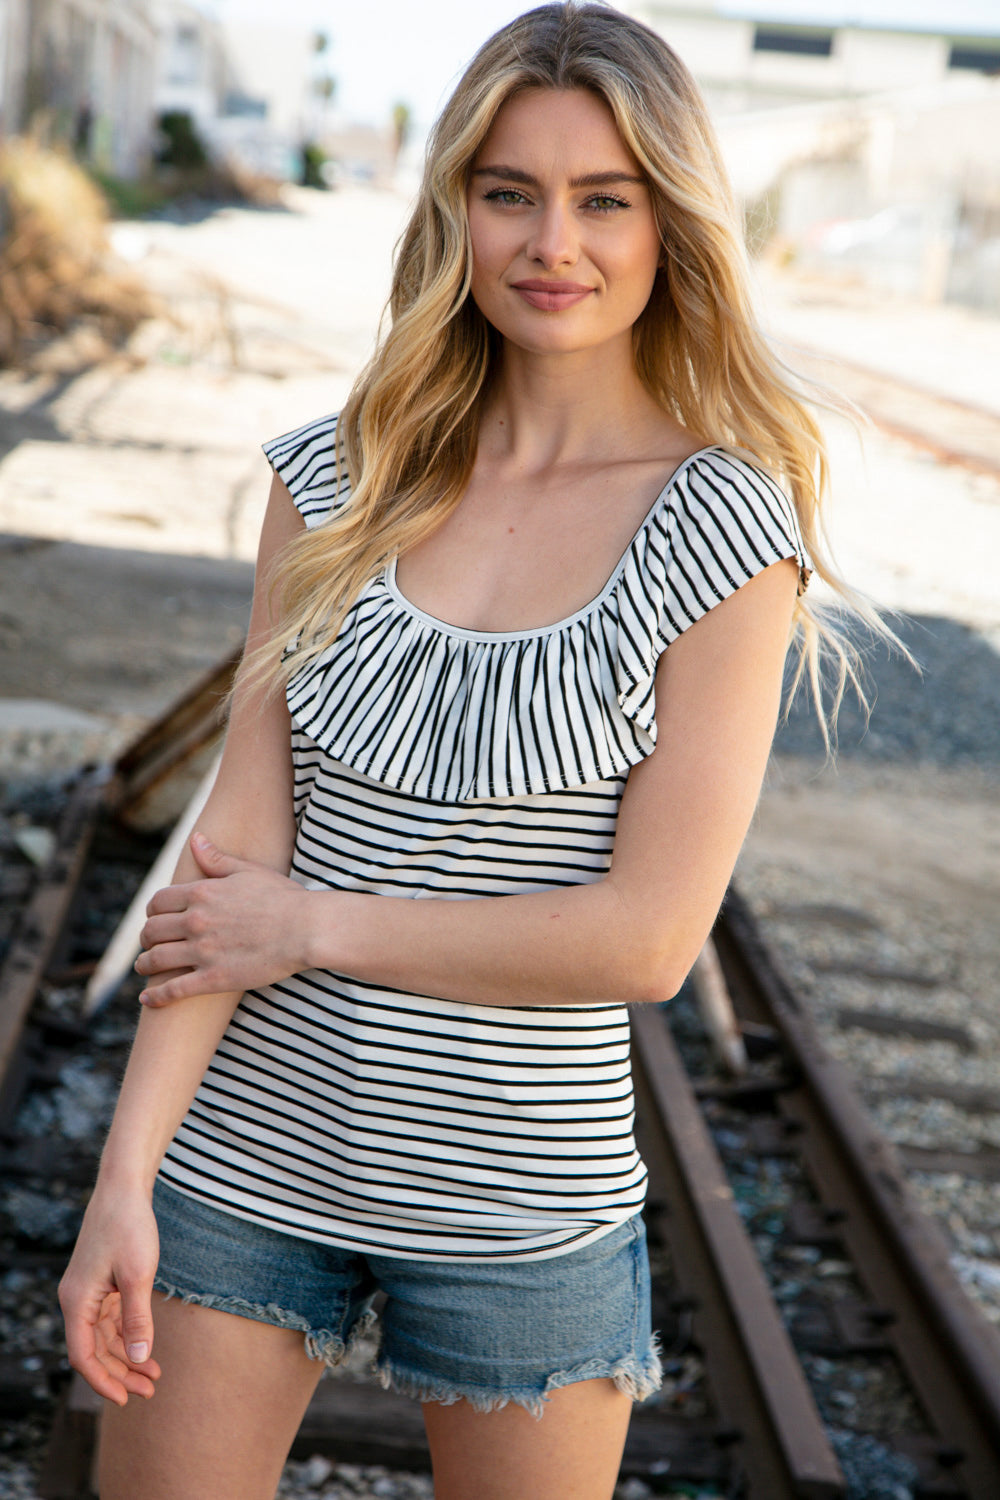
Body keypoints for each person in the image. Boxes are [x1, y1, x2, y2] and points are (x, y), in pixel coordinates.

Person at [59, 5, 854, 1497]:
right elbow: (233, 863)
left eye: (604, 198)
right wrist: (124, 1181)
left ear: (668, 222)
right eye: (510, 192)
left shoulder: (725, 534)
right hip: (249, 1161)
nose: (555, 240)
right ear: (456, 212)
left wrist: (313, 928)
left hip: (521, 1213)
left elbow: (647, 939)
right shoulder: (333, 481)